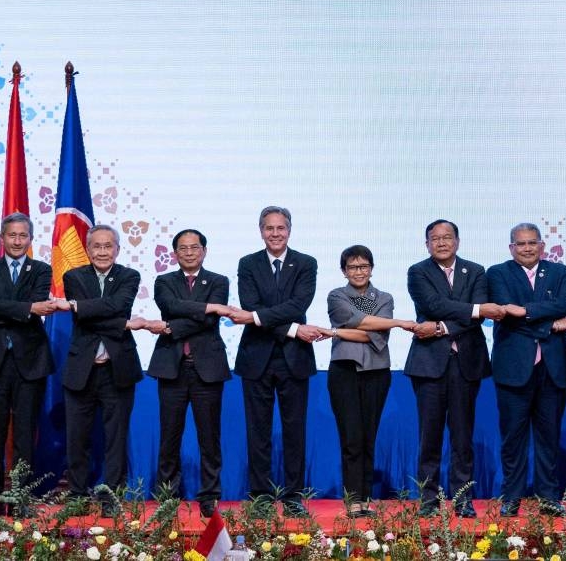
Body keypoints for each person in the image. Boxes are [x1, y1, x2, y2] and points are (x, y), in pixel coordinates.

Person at [229, 206, 322, 517]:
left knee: (294, 431)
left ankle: (294, 496)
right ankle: (261, 496)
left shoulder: (306, 263)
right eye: (269, 228)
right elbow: (249, 305)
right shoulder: (248, 263)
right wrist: (294, 328)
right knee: (258, 431)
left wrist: (257, 318)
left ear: (289, 230)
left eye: (281, 228)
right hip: (257, 358)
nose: (275, 233)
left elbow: (299, 304)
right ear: (260, 231)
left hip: (294, 359)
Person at [405, 219, 498, 518]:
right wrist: (471, 311)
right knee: (429, 436)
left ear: (457, 241)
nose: (442, 243)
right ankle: (428, 500)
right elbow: (431, 304)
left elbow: (480, 310)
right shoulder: (417, 271)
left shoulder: (477, 270)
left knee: (462, 436)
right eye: (435, 238)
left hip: (466, 363)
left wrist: (443, 326)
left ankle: (462, 499)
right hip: (429, 364)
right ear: (427, 244)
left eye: (447, 237)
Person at [486, 223, 566, 518]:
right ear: (511, 248)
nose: (527, 248)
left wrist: (524, 311)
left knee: (549, 437)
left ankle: (548, 497)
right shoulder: (497, 273)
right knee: (513, 437)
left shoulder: (560, 273)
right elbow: (504, 312)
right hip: (513, 367)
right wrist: (550, 322)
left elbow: (564, 304)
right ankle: (512, 496)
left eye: (532, 243)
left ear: (542, 246)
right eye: (520, 244)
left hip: (553, 367)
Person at [0, 212, 56, 515]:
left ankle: (21, 496)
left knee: (24, 433)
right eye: (12, 235)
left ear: (30, 240)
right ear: (2, 238)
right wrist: (28, 307)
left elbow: (31, 303)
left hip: (30, 361)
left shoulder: (42, 269)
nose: (17, 241)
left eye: (23, 236)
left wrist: (15, 308)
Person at [143, 229, 231, 518]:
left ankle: (209, 496)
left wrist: (171, 327)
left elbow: (207, 322)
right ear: (175, 253)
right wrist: (207, 308)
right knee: (170, 436)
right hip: (172, 367)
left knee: (210, 437)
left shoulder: (219, 281)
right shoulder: (164, 281)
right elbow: (170, 306)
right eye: (183, 248)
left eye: (195, 247)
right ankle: (168, 496)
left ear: (204, 251)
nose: (190, 252)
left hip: (207, 368)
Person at [54, 224, 142, 515]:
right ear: (88, 249)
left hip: (118, 369)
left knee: (116, 438)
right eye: (97, 246)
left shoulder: (129, 276)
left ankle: (111, 498)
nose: (102, 252)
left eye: (108, 246)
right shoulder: (73, 276)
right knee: (77, 437)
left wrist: (79, 306)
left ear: (118, 249)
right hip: (82, 369)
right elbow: (103, 315)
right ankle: (78, 495)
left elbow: (119, 305)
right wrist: (121, 322)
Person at [323, 245, 416, 518]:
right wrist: (393, 323)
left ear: (371, 268)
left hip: (377, 371)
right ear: (344, 271)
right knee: (350, 437)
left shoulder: (384, 297)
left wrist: (339, 332)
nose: (359, 271)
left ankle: (366, 499)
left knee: (368, 436)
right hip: (344, 370)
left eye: (363, 266)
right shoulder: (336, 295)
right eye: (352, 267)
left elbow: (375, 335)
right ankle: (352, 499)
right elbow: (359, 321)